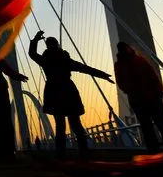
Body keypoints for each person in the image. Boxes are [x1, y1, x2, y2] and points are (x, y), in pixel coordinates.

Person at [28, 30, 114, 160]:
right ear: (58, 45)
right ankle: (84, 153)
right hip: (68, 91)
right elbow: (85, 68)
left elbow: (32, 54)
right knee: (75, 124)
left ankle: (61, 155)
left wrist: (35, 40)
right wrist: (103, 75)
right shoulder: (65, 60)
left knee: (61, 126)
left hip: (54, 92)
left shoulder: (46, 60)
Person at [114, 41, 163, 153]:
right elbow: (153, 76)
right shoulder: (138, 60)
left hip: (143, 99)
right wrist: (160, 92)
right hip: (147, 98)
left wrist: (131, 90)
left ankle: (159, 149)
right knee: (158, 124)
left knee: (151, 126)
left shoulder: (124, 64)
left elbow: (121, 83)